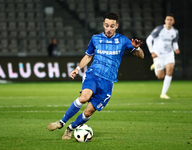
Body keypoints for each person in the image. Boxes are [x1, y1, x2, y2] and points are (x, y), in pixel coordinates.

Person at [47, 12, 144, 140]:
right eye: (107, 25)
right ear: (103, 25)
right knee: (84, 97)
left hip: (108, 82)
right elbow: (88, 56)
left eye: (112, 26)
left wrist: (137, 49)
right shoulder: (95, 39)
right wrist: (77, 68)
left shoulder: (123, 40)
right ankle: (61, 122)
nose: (109, 29)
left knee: (88, 112)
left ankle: (70, 128)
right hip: (93, 74)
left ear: (117, 26)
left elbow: (141, 56)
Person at [146, 13, 180, 99]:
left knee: (170, 70)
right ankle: (156, 65)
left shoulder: (175, 32)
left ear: (173, 22)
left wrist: (176, 48)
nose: (169, 21)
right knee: (160, 76)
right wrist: (152, 51)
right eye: (167, 19)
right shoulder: (159, 29)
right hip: (158, 54)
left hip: (169, 54)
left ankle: (163, 93)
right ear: (165, 21)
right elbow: (149, 39)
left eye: (170, 20)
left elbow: (174, 42)